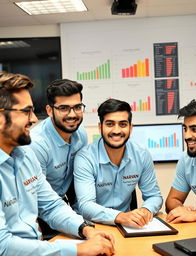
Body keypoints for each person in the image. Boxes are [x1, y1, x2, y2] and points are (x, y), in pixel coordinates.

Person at [0, 71, 115, 256]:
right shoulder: (37, 145)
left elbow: (51, 205)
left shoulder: (25, 155)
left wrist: (86, 229)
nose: (33, 119)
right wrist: (77, 249)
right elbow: (3, 246)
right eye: (26, 111)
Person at [74, 98, 163, 228]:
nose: (116, 131)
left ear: (130, 128)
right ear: (100, 127)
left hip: (127, 226)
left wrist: (146, 210)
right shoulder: (85, 158)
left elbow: (154, 196)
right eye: (110, 124)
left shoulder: (142, 155)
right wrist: (120, 216)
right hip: (91, 226)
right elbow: (86, 206)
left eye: (122, 124)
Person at [29, 78, 87, 206]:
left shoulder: (81, 134)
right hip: (41, 208)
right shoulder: (37, 144)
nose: (72, 115)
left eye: (77, 107)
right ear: (49, 111)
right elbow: (37, 196)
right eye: (64, 108)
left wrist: (81, 210)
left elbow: (78, 178)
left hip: (63, 203)